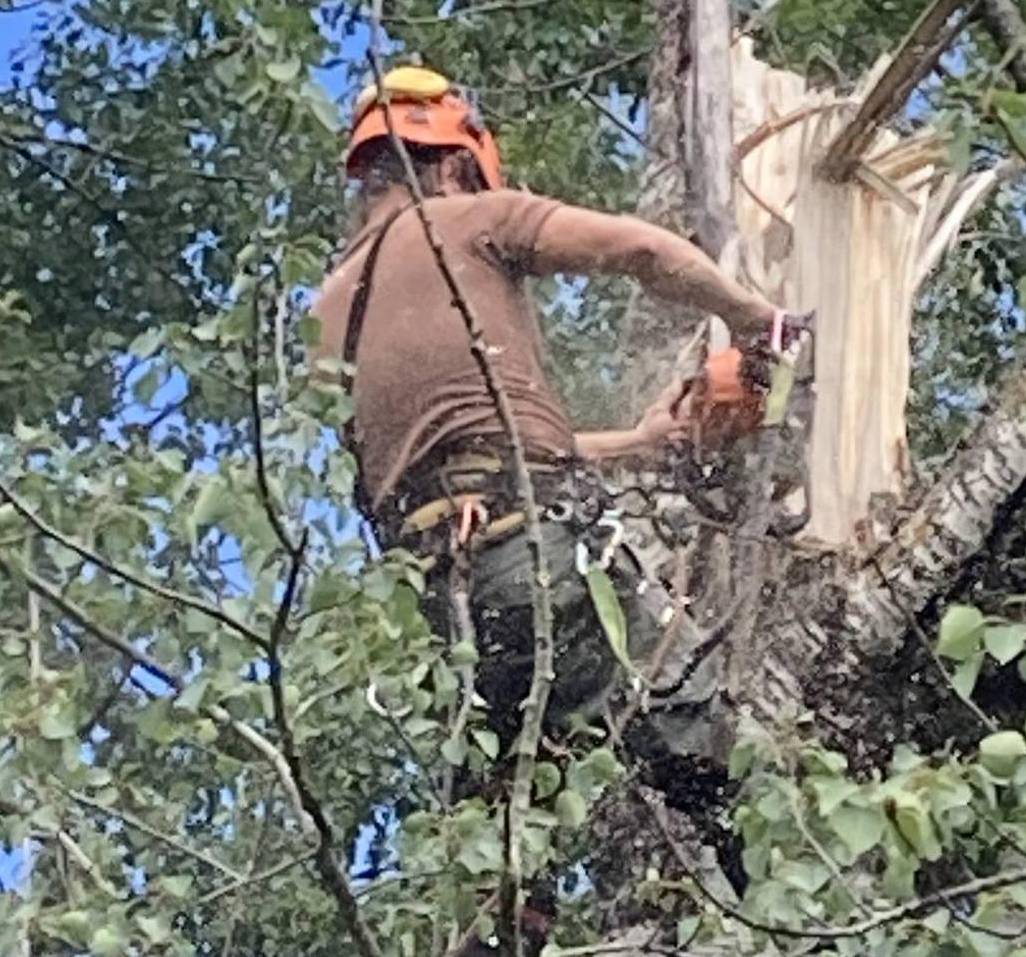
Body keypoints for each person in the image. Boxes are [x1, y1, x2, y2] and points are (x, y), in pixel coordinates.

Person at [310, 65, 790, 760]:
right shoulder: (466, 218)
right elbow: (641, 250)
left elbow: (462, 454)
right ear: (450, 168)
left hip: (448, 614)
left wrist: (640, 443)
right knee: (717, 750)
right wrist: (761, 323)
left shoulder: (325, 315)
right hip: (532, 563)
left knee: (555, 799)